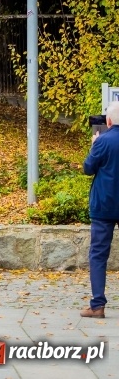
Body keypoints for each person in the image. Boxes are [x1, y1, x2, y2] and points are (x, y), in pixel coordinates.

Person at [81, 102, 119, 318]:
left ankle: (97, 305)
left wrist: (94, 145)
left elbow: (88, 168)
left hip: (104, 206)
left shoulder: (102, 141)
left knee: (98, 255)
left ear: (109, 121)